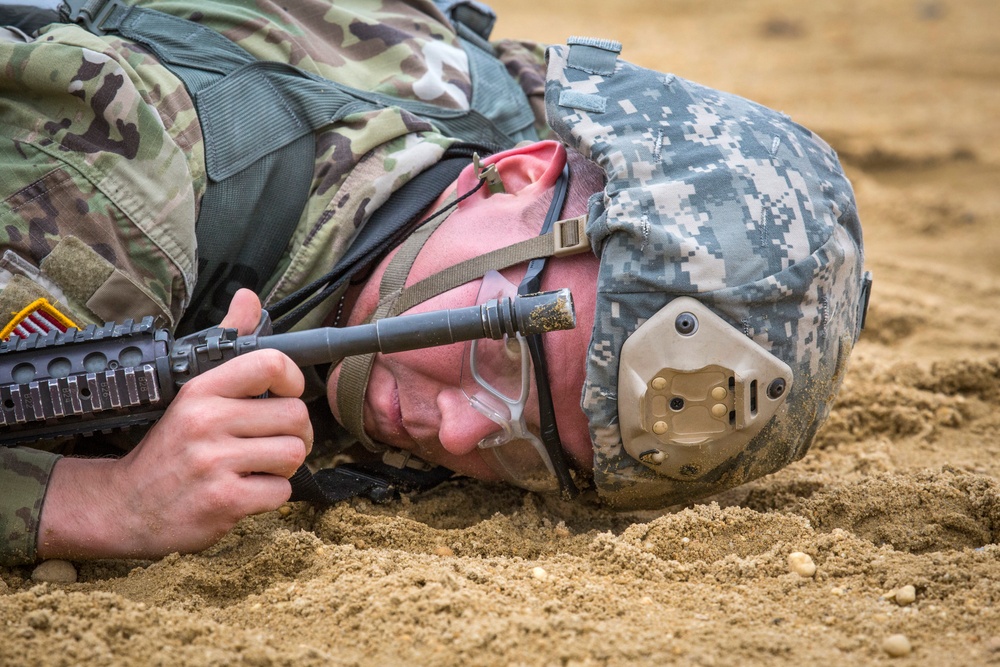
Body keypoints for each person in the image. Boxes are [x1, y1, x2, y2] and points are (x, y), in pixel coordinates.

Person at [0, 0, 869, 566]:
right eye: (499, 349)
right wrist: (92, 504)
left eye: (530, 449)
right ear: (521, 172)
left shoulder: (503, 113)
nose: (455, 430)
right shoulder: (115, 190)